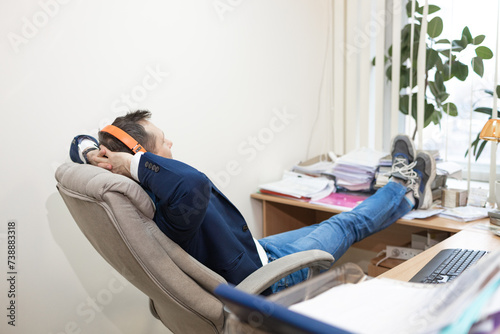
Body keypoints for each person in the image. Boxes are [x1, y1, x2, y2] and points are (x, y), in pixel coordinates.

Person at [70, 110, 436, 293]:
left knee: (330, 224)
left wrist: (93, 155)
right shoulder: (170, 196)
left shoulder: (138, 188)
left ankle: (405, 195)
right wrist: (134, 161)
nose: (171, 146)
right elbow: (195, 183)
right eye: (163, 142)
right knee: (346, 223)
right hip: (264, 280)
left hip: (249, 253)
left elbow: (78, 141)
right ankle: (408, 185)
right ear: (143, 157)